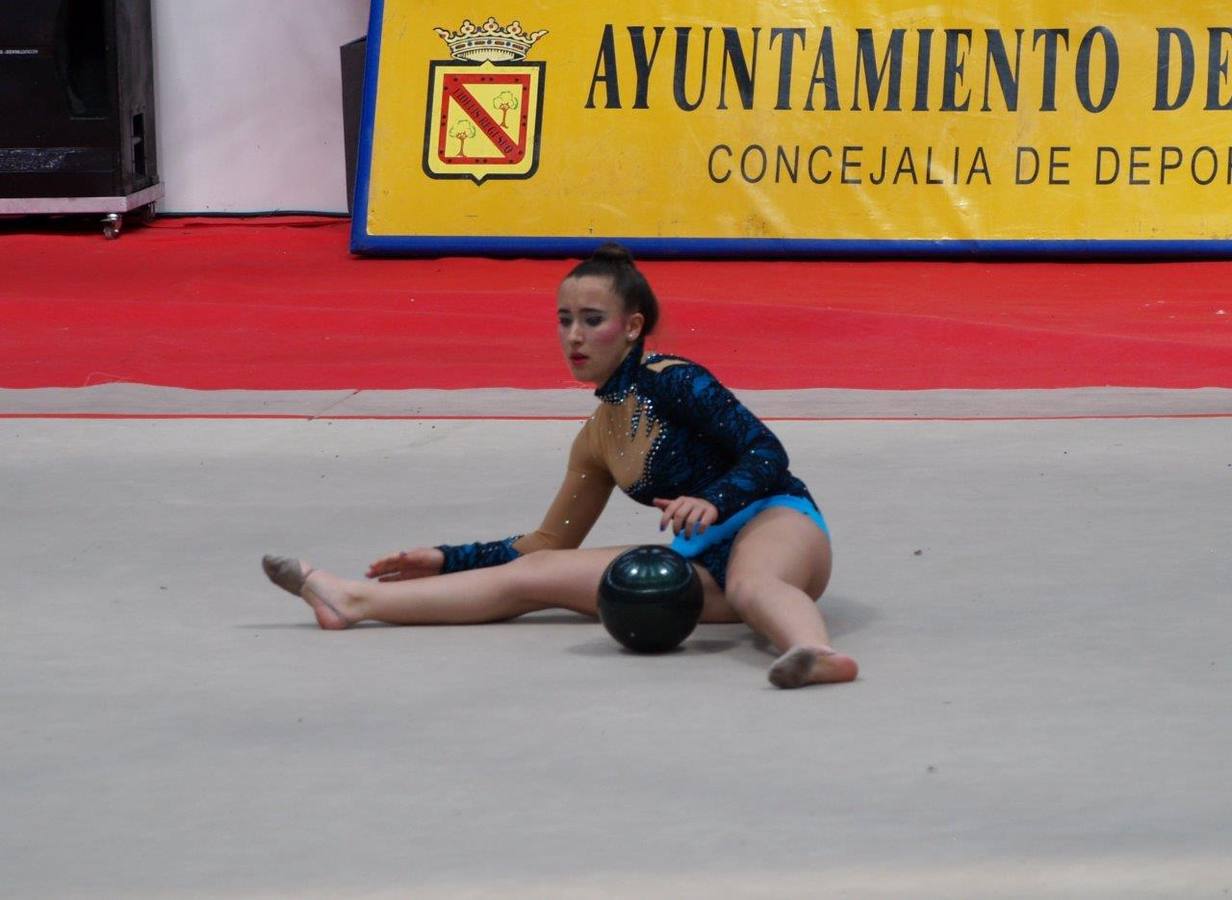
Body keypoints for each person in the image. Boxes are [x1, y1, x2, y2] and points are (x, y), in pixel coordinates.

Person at [263, 243, 858, 688]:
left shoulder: (677, 380)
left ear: (632, 328)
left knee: (756, 583)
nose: (574, 336)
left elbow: (766, 452)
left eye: (591, 321)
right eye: (564, 320)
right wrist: (448, 558)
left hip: (773, 522)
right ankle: (350, 599)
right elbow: (549, 541)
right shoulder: (596, 438)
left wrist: (717, 500)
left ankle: (816, 653)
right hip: (698, 562)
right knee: (538, 573)